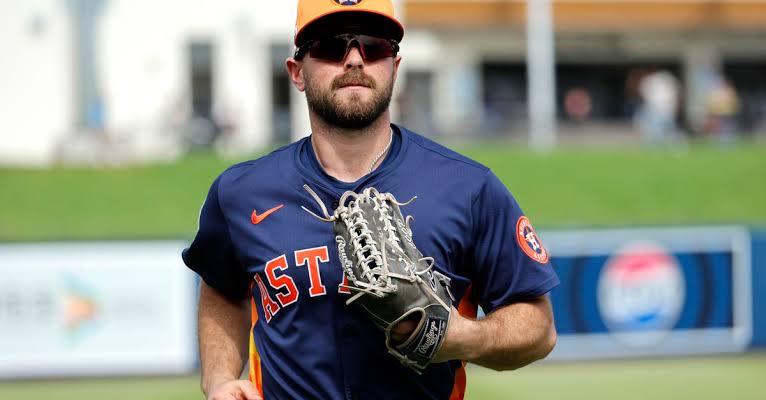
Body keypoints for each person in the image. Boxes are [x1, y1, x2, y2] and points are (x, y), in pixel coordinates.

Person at [182, 1, 559, 399]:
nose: (355, 59)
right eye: (331, 45)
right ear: (297, 72)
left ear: (395, 66)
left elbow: (539, 327)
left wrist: (462, 337)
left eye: (374, 45)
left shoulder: (468, 188)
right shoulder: (242, 192)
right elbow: (222, 289)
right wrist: (220, 378)